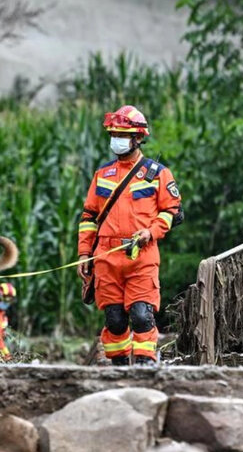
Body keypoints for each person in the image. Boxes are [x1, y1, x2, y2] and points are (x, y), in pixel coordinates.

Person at [77, 105, 183, 366]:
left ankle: (146, 364)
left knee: (141, 315)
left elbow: (173, 211)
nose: (117, 140)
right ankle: (120, 365)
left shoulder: (157, 174)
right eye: (114, 134)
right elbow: (89, 217)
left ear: (138, 138)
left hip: (141, 256)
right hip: (106, 258)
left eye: (122, 135)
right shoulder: (102, 175)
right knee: (114, 319)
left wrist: (151, 231)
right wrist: (83, 254)